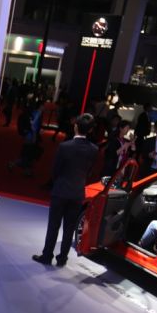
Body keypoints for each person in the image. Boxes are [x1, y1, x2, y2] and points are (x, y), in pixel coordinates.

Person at [33, 113, 99, 267]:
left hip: (61, 190)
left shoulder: (65, 146)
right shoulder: (94, 149)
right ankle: (62, 259)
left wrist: (59, 183)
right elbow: (90, 171)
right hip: (77, 193)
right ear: (90, 130)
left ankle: (47, 256)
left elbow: (55, 170)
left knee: (53, 225)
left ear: (75, 126)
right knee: (69, 228)